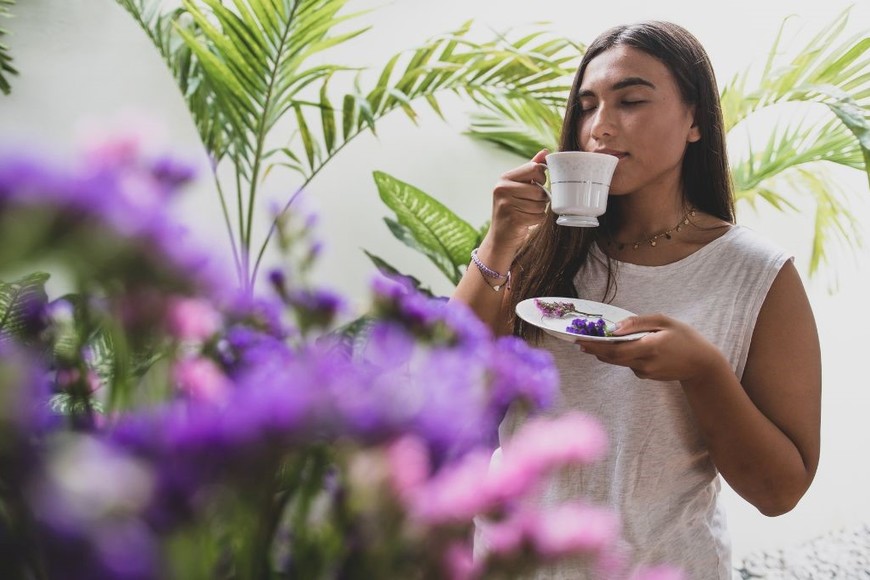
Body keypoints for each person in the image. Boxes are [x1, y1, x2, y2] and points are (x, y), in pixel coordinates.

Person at [451, 20, 822, 579]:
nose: (599, 126)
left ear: (695, 120)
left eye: (630, 101)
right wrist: (498, 242)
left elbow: (778, 492)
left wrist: (703, 371)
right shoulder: (534, 251)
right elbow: (447, 383)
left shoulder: (757, 275)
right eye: (586, 106)